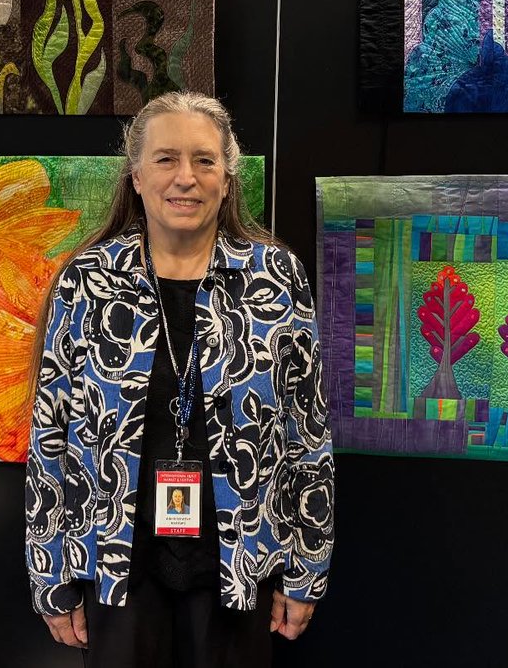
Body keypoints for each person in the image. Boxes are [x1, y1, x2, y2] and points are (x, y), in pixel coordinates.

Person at [25, 92, 334, 668]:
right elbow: (50, 438)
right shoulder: (87, 280)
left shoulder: (274, 275)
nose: (185, 178)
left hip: (239, 559)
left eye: (204, 160)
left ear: (227, 177)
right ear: (137, 176)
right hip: (118, 561)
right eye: (166, 159)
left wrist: (307, 568)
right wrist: (49, 576)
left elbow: (307, 433)